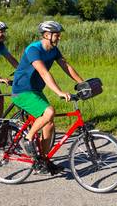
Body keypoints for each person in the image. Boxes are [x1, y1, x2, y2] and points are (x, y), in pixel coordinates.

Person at [11, 21, 84, 174]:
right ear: (47, 35)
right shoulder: (34, 50)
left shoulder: (54, 50)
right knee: (49, 112)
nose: (59, 37)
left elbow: (66, 66)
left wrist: (82, 83)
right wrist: (59, 92)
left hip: (36, 91)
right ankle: (29, 138)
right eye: (57, 34)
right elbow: (44, 73)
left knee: (49, 124)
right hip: (22, 91)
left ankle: (42, 161)